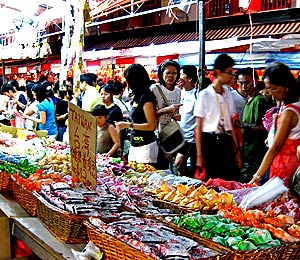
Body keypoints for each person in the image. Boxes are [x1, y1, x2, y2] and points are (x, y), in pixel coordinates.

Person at [249, 62, 300, 187]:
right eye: (268, 88)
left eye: (273, 88)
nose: (270, 92)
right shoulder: (290, 106)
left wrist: (257, 176)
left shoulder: (289, 113)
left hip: (286, 166)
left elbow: (275, 147)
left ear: (286, 87)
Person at [194, 54, 242, 181]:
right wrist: (199, 155)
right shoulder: (204, 95)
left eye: (232, 73)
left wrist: (237, 149)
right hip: (209, 141)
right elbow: (198, 128)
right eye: (229, 72)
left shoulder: (228, 94)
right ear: (218, 72)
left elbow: (230, 124)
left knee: (228, 178)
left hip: (225, 140)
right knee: (212, 179)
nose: (231, 76)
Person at [115, 64, 158, 165]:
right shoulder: (137, 96)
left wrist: (128, 125)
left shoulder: (146, 97)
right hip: (134, 144)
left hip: (146, 147)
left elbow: (151, 125)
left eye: (128, 79)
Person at [238, 67, 270, 182]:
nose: (243, 86)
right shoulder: (248, 100)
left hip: (256, 154)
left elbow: (265, 127)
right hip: (247, 152)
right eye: (241, 83)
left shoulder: (259, 100)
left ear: (255, 81)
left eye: (247, 82)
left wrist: (243, 125)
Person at [150, 59, 182, 169]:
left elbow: (176, 112)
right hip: (156, 134)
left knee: (166, 165)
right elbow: (149, 114)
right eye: (168, 72)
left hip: (170, 134)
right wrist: (166, 110)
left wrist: (177, 116)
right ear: (161, 73)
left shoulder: (178, 91)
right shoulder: (154, 89)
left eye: (174, 73)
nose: (171, 76)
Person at [174, 65, 198, 178]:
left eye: (181, 74)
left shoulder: (197, 95)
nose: (178, 77)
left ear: (190, 78)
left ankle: (190, 181)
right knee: (178, 167)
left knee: (178, 164)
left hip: (190, 139)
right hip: (178, 137)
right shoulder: (178, 92)